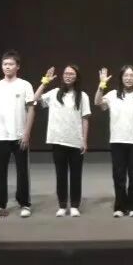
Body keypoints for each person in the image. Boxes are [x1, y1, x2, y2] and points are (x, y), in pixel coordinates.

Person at [0, 49, 35, 218]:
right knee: (0, 172)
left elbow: (31, 109)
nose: (7, 67)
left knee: (22, 171)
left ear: (18, 66)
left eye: (11, 64)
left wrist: (27, 133)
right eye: (5, 64)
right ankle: (0, 205)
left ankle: (24, 204)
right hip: (1, 136)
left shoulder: (25, 85)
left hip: (19, 135)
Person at [34, 65, 91, 217]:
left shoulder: (82, 96)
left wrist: (84, 140)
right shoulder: (54, 93)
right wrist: (45, 82)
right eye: (66, 73)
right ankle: (62, 205)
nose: (68, 76)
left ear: (77, 77)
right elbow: (35, 98)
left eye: (71, 74)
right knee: (61, 175)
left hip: (75, 141)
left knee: (76, 175)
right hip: (58, 140)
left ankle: (75, 205)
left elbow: (85, 119)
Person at [94, 66, 133, 218]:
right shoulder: (112, 95)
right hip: (117, 140)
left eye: (131, 76)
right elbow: (98, 102)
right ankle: (120, 206)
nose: (129, 78)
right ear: (121, 78)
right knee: (119, 175)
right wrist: (101, 85)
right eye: (126, 76)